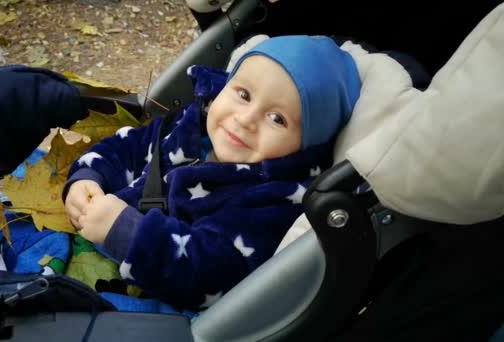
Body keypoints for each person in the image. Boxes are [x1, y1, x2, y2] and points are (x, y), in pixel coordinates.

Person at [63, 35, 361, 309]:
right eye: (243, 94)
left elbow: (212, 271)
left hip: (155, 302)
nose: (245, 119)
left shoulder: (273, 199)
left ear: (306, 146)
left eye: (277, 118)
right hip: (88, 241)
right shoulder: (191, 125)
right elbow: (128, 147)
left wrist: (128, 234)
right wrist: (88, 178)